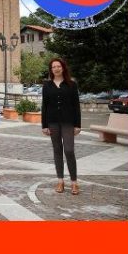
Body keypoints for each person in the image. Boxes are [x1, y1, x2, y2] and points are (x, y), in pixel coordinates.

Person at [41, 58, 82, 195]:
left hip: (68, 122)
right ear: (51, 70)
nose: (56, 69)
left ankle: (74, 182)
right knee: (57, 150)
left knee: (69, 150)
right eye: (53, 67)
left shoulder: (72, 84)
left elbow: (76, 105)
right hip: (52, 122)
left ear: (63, 68)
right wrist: (44, 125)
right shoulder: (47, 85)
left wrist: (77, 124)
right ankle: (60, 180)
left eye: (58, 66)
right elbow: (44, 106)